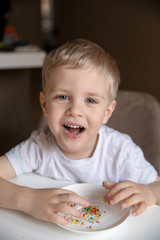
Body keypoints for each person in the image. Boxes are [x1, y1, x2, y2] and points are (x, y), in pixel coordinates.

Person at [0, 38, 159, 226]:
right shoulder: (38, 147)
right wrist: (29, 199)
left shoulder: (122, 152)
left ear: (107, 112)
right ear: (44, 104)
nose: (75, 110)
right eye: (63, 96)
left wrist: (149, 193)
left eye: (90, 100)